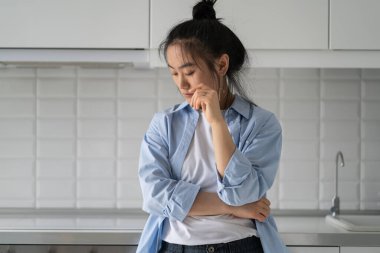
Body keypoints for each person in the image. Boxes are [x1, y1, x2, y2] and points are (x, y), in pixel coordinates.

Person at [137, 0, 287, 252]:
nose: (181, 84)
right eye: (174, 73)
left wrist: (217, 122)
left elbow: (243, 193)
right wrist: (230, 207)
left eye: (189, 72)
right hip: (176, 246)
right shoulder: (164, 123)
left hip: (240, 245)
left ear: (221, 65)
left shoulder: (262, 124)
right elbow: (154, 196)